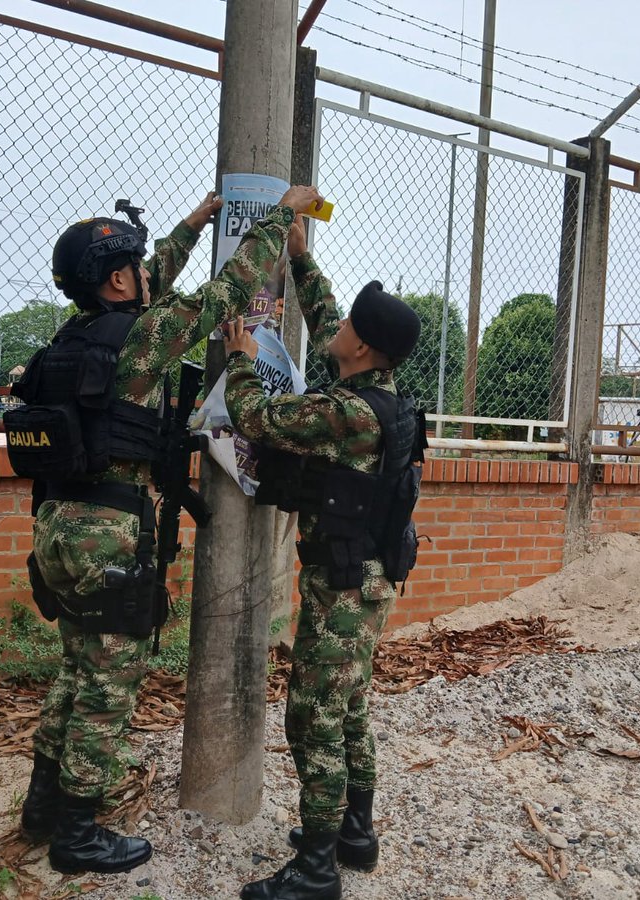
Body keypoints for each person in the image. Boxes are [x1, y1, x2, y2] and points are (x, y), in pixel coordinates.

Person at [13, 185, 324, 876]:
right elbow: (233, 286)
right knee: (108, 685)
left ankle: (43, 805)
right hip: (108, 532)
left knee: (75, 668)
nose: (149, 270)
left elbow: (151, 285)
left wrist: (190, 224)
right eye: (137, 265)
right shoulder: (143, 335)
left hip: (57, 525)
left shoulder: (70, 342)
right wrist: (282, 214)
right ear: (119, 279)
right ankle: (79, 832)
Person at [222, 219, 424, 900]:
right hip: (369, 574)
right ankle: (354, 835)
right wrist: (303, 261)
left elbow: (257, 418)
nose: (333, 328)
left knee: (314, 716)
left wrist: (242, 355)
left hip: (342, 584)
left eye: (347, 328)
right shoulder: (384, 395)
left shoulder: (346, 414)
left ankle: (315, 869)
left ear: (361, 348)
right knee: (352, 703)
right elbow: (331, 314)